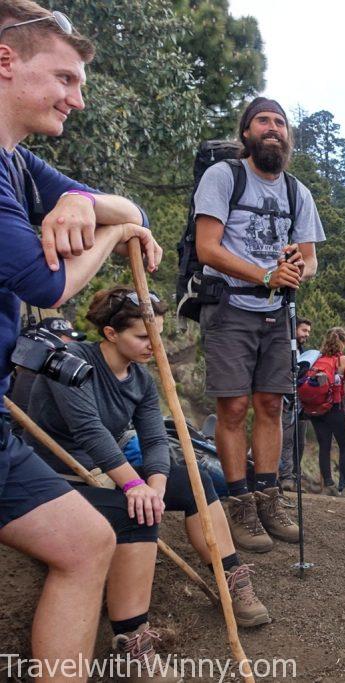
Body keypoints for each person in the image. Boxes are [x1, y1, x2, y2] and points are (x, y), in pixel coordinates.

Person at [0, 4, 162, 678]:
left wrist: (83, 204)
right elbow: (45, 281)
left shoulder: (20, 165)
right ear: (5, 61)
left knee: (88, 538)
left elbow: (130, 209)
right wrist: (109, 230)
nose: (78, 99)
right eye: (64, 78)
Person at [27, 288, 269, 665]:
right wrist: (135, 486)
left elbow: (155, 437)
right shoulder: (71, 363)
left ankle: (231, 579)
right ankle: (130, 640)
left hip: (104, 473)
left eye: (156, 334)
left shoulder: (139, 380)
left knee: (191, 480)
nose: (152, 345)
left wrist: (154, 485)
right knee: (134, 509)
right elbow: (92, 433)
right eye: (142, 336)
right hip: (60, 478)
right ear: (110, 334)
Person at [194, 97, 326, 551]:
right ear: (246, 132)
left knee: (271, 405)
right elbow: (207, 248)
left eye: (281, 123)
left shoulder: (297, 192)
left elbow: (310, 261)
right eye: (264, 121)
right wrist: (265, 274)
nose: (274, 129)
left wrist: (295, 269)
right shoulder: (223, 177)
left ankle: (269, 498)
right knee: (232, 408)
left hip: (277, 312)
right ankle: (240, 504)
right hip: (229, 306)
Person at [307, 326, 345, 497]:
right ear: (343, 342)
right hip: (335, 408)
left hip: (316, 409)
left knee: (324, 446)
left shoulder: (316, 358)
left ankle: (328, 485)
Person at [279, 316, 312, 491]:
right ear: (294, 328)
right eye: (304, 330)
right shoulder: (285, 347)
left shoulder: (302, 351)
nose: (306, 335)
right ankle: (284, 477)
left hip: (298, 402)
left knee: (297, 441)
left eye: (308, 332)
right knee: (286, 439)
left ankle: (291, 476)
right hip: (284, 399)